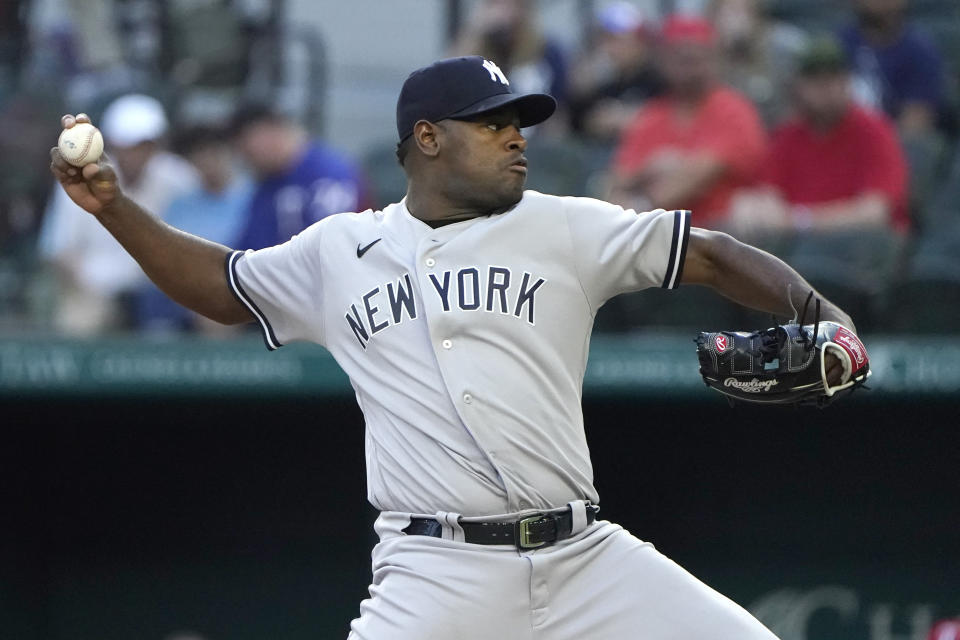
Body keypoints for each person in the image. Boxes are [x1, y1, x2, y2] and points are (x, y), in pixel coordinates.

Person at [51, 55, 856, 640]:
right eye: (493, 124)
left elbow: (710, 252)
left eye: (519, 124)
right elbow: (223, 286)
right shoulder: (341, 248)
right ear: (427, 139)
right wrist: (115, 211)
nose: (517, 139)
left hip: (584, 558)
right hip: (437, 573)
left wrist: (828, 318)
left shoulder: (565, 225)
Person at [38, 93, 199, 334]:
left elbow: (193, 245)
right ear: (113, 144)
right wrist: (88, 290)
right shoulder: (80, 177)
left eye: (145, 144)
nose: (137, 153)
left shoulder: (179, 177)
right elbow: (60, 251)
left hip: (162, 293)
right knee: (79, 321)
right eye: (130, 145)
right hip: (96, 289)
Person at [728, 36, 909, 240]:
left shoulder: (873, 130)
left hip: (860, 250)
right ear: (799, 86)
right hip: (800, 246)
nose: (825, 89)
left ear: (847, 82)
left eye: (833, 78)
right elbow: (767, 195)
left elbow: (875, 213)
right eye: (815, 80)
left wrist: (799, 220)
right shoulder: (788, 134)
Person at [608, 14, 767, 229]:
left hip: (722, 240)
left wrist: (642, 205)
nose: (690, 64)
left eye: (698, 55)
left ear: (713, 58)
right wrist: (649, 168)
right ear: (664, 59)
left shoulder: (734, 110)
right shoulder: (652, 115)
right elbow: (616, 182)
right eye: (680, 55)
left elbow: (700, 174)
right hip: (659, 239)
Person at [135, 124, 253, 333]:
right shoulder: (180, 205)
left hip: (234, 287)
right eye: (201, 155)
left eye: (214, 153)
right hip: (185, 288)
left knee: (215, 316)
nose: (208, 162)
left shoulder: (250, 198)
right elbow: (167, 250)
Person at [232, 103, 369, 251]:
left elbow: (332, 250)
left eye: (247, 150)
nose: (246, 160)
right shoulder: (269, 181)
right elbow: (246, 249)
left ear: (267, 133)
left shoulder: (329, 174)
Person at [838, 0, 947, 138]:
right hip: (840, 142)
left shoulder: (920, 51)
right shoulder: (839, 43)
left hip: (892, 147)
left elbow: (916, 121)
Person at [567, 1, 665, 143]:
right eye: (606, 40)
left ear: (641, 41)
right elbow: (578, 123)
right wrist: (582, 92)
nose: (610, 49)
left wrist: (632, 119)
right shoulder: (608, 85)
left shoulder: (660, 80)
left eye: (617, 40)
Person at [450, 0, 569, 114]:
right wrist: (476, 30)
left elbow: (562, 103)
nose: (504, 10)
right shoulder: (478, 44)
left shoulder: (547, 50)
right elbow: (450, 80)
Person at [707, 0, 808, 128]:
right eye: (729, 12)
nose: (736, 20)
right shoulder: (706, 52)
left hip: (777, 133)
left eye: (742, 11)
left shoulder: (786, 47)